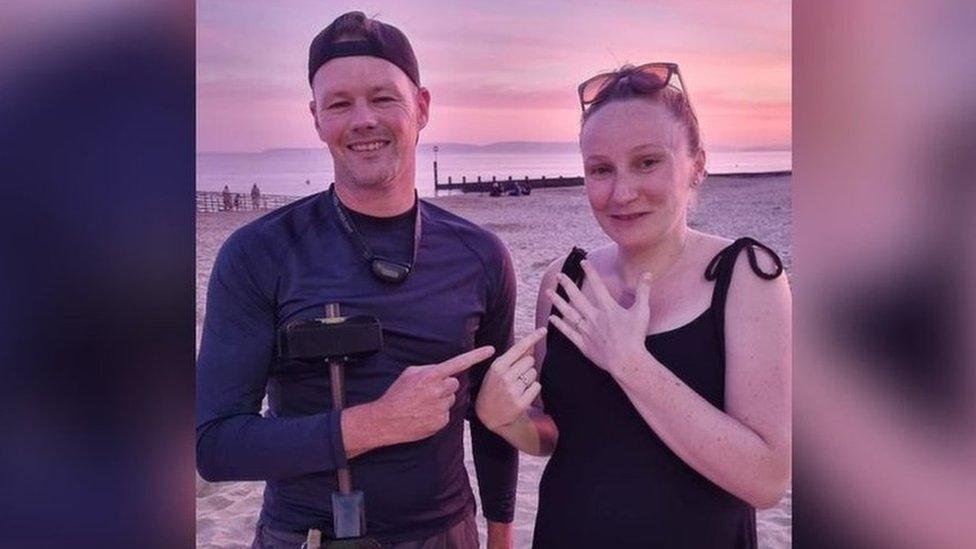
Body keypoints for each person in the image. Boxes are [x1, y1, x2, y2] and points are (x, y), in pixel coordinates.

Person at [196, 12, 532, 548]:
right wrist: (373, 424)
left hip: (446, 533)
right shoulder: (259, 252)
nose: (362, 120)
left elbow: (494, 416)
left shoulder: (481, 256)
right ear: (315, 117)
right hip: (305, 535)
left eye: (382, 98)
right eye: (339, 104)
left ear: (421, 107)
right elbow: (214, 445)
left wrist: (501, 531)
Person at [475, 63, 792, 547]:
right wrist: (506, 420)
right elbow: (562, 434)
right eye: (601, 169)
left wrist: (631, 364)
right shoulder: (565, 281)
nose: (621, 193)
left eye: (647, 162)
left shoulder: (745, 277)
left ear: (697, 165)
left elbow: (766, 480)